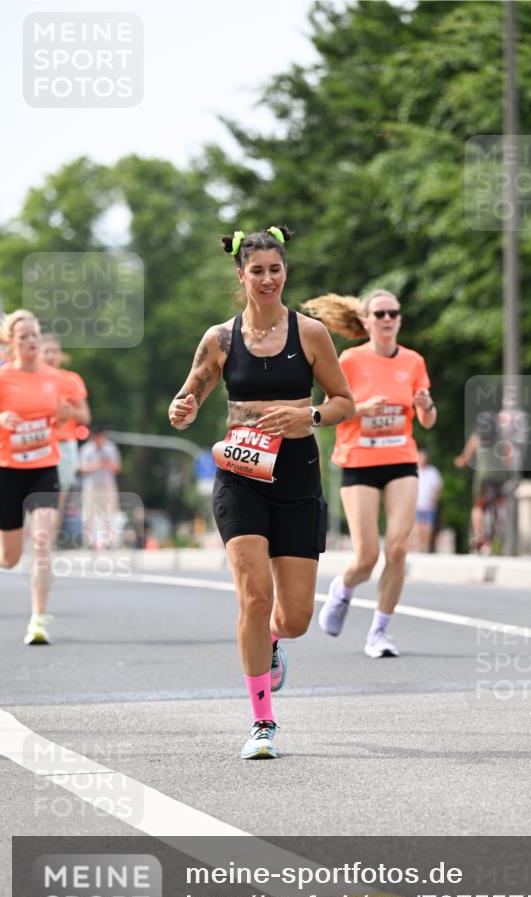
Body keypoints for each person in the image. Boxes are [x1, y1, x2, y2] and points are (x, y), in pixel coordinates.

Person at [168, 226, 354, 760]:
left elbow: (345, 402)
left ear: (285, 272)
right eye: (257, 270)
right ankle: (262, 721)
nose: (267, 279)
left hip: (297, 477)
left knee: (292, 618)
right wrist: (181, 409)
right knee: (254, 595)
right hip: (240, 478)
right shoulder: (220, 339)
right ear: (241, 274)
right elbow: (187, 398)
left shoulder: (312, 334)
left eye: (276, 269)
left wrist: (309, 414)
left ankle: (272, 644)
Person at [304, 289, 437, 657]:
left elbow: (426, 419)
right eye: (380, 314)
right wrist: (362, 408)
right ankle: (342, 590)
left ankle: (379, 632)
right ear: (366, 322)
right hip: (358, 461)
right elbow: (330, 412)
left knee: (397, 549)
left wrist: (426, 406)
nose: (388, 318)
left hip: (400, 460)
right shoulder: (349, 360)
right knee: (366, 557)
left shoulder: (413, 362)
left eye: (393, 312)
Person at [0, 310, 76, 644]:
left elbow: (66, 416)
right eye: (23, 336)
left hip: (43, 467)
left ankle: (37, 620)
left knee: (42, 540)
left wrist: (64, 415)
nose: (30, 342)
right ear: (12, 343)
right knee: (10, 558)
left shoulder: (54, 378)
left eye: (34, 336)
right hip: (6, 470)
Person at [39, 334, 91, 526]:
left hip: (63, 446)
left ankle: (47, 547)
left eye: (55, 351)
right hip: (37, 443)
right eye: (46, 351)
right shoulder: (30, 379)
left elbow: (85, 417)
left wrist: (69, 411)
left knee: (57, 498)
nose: (51, 356)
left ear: (61, 355)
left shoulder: (71, 380)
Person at [454, 410, 507, 553]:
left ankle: (479, 536)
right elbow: (508, 457)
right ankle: (498, 527)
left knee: (478, 506)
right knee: (499, 501)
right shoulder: (502, 436)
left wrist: (460, 462)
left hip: (484, 476)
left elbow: (465, 457)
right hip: (500, 477)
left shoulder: (477, 437)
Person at [79, 428, 122, 549]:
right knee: (89, 514)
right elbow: (81, 469)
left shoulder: (110, 448)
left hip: (107, 485)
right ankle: (90, 541)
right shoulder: (86, 449)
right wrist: (96, 465)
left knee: (109, 513)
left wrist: (107, 464)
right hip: (91, 486)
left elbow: (117, 468)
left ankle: (109, 541)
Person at [412, 448, 443, 553]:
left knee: (428, 529)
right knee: (417, 528)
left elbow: (438, 488)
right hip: (416, 505)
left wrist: (435, 500)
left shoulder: (433, 472)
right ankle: (419, 548)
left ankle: (425, 548)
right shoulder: (414, 470)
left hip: (429, 505)